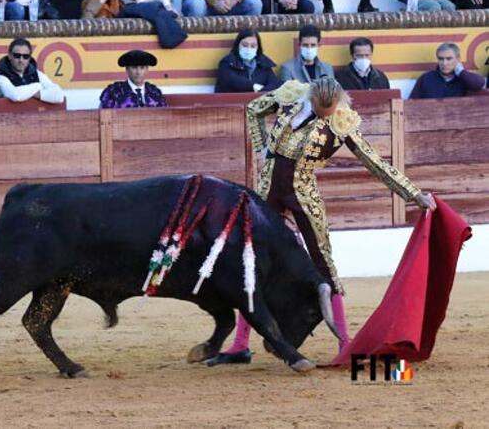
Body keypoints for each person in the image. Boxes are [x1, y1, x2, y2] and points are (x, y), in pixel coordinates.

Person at [206, 77, 437, 366]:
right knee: (251, 261)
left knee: (323, 263)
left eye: (328, 111)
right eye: (319, 109)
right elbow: (253, 109)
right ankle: (240, 345)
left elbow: (375, 162)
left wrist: (413, 193)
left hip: (303, 193)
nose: (323, 116)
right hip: (268, 192)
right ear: (311, 97)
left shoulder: (341, 121)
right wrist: (263, 146)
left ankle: (346, 344)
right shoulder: (290, 97)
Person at [0, 38, 64, 104]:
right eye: (17, 55)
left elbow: (59, 95)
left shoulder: (36, 74)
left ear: (30, 58)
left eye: (25, 56)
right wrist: (38, 86)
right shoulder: (0, 77)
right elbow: (16, 95)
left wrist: (29, 94)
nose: (21, 60)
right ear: (9, 55)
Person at [214, 29, 282, 94]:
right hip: (233, 103)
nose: (249, 49)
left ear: (258, 48)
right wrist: (253, 86)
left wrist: (262, 91)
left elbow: (275, 83)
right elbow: (232, 81)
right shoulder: (227, 63)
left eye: (253, 46)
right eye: (245, 45)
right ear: (237, 45)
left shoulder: (263, 63)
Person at [410, 42, 485, 99]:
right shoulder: (426, 78)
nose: (444, 63)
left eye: (449, 59)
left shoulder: (464, 78)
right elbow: (411, 103)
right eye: (441, 59)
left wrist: (461, 72)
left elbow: (480, 84)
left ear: (458, 59)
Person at [99, 50, 167, 109]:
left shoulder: (154, 92)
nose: (138, 72)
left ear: (147, 70)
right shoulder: (114, 92)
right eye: (134, 68)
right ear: (127, 69)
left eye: (142, 68)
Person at [118, 0, 187, 49]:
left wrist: (168, 7)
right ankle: (171, 39)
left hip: (154, 6)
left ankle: (170, 39)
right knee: (156, 9)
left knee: (159, 10)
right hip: (129, 6)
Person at [182, 0, 262, 17]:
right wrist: (214, 2)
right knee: (197, 4)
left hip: (230, 5)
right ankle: (196, 42)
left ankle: (246, 39)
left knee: (255, 3)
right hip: (204, 5)